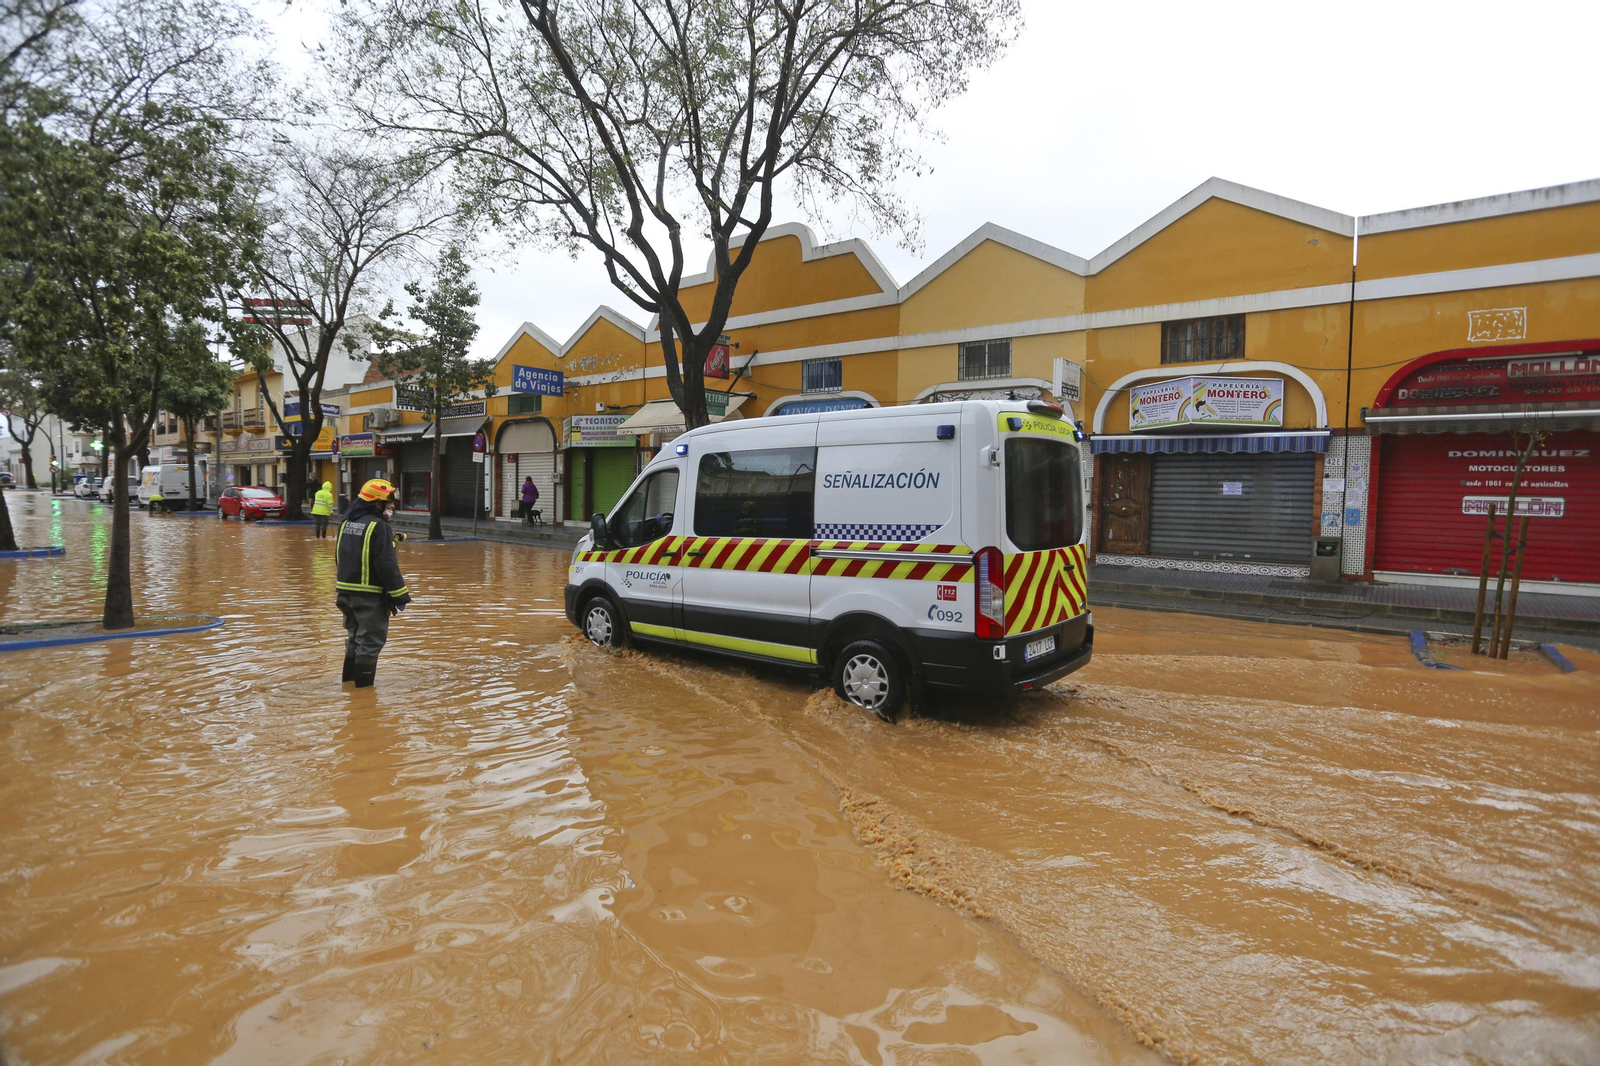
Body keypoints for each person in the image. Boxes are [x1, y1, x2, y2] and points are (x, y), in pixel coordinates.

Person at [335, 478, 412, 688]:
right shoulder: (379, 526)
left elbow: (339, 557)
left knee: (354, 638)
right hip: (370, 596)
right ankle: (363, 695)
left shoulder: (347, 522)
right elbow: (386, 565)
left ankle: (348, 687)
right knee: (369, 643)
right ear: (376, 503)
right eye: (389, 503)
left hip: (345, 593)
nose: (392, 506)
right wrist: (399, 596)